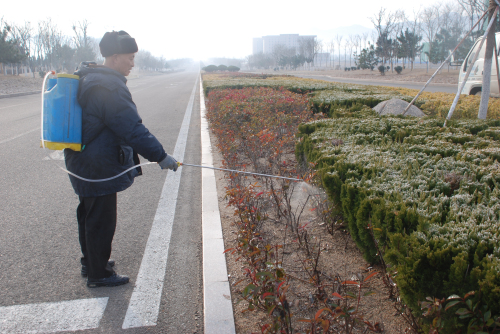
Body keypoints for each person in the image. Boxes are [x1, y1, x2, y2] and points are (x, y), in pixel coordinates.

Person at [64, 30, 178, 288]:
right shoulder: (108, 87)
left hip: (84, 161)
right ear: (115, 57)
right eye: (130, 57)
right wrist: (161, 156)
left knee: (88, 213)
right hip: (97, 165)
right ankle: (99, 274)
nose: (133, 63)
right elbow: (131, 128)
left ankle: (91, 262)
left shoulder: (92, 78)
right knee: (101, 219)